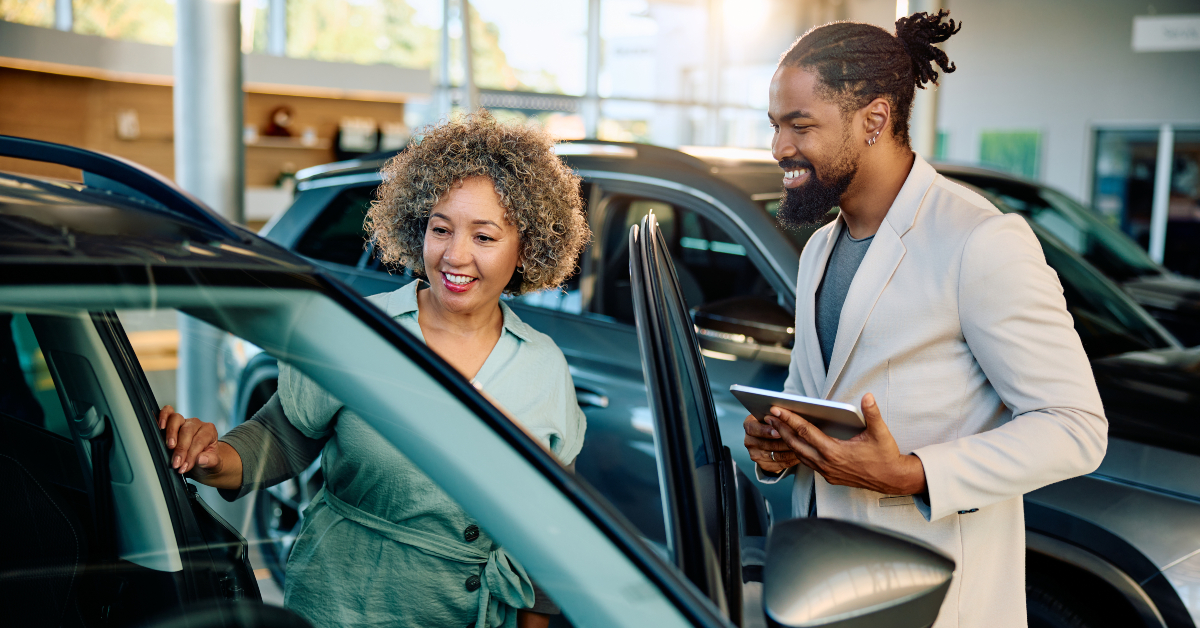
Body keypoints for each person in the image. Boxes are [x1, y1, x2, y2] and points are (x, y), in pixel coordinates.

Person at [742, 11, 1107, 628]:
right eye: (776, 125)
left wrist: (914, 474)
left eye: (800, 125)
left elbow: (1076, 428)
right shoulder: (818, 250)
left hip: (936, 601)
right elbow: (817, 399)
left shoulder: (979, 240)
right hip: (822, 587)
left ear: (874, 120)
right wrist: (781, 447)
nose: (779, 147)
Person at [158, 111, 591, 628]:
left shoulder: (542, 367)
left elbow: (549, 530)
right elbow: (285, 434)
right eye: (440, 228)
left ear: (527, 246)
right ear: (416, 227)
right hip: (343, 604)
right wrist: (213, 459)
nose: (455, 256)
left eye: (484, 237)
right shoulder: (362, 331)